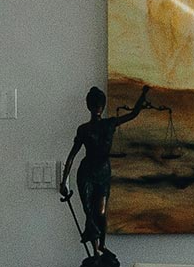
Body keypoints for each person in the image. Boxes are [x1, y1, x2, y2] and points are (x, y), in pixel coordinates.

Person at [58, 84, 161, 255]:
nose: (97, 108)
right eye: (94, 104)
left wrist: (143, 95)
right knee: (89, 212)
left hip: (103, 172)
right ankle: (95, 250)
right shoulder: (84, 129)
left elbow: (134, 114)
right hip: (86, 172)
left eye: (99, 104)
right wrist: (64, 181)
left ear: (103, 105)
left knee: (101, 212)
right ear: (89, 106)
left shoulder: (110, 124)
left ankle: (102, 246)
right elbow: (72, 156)